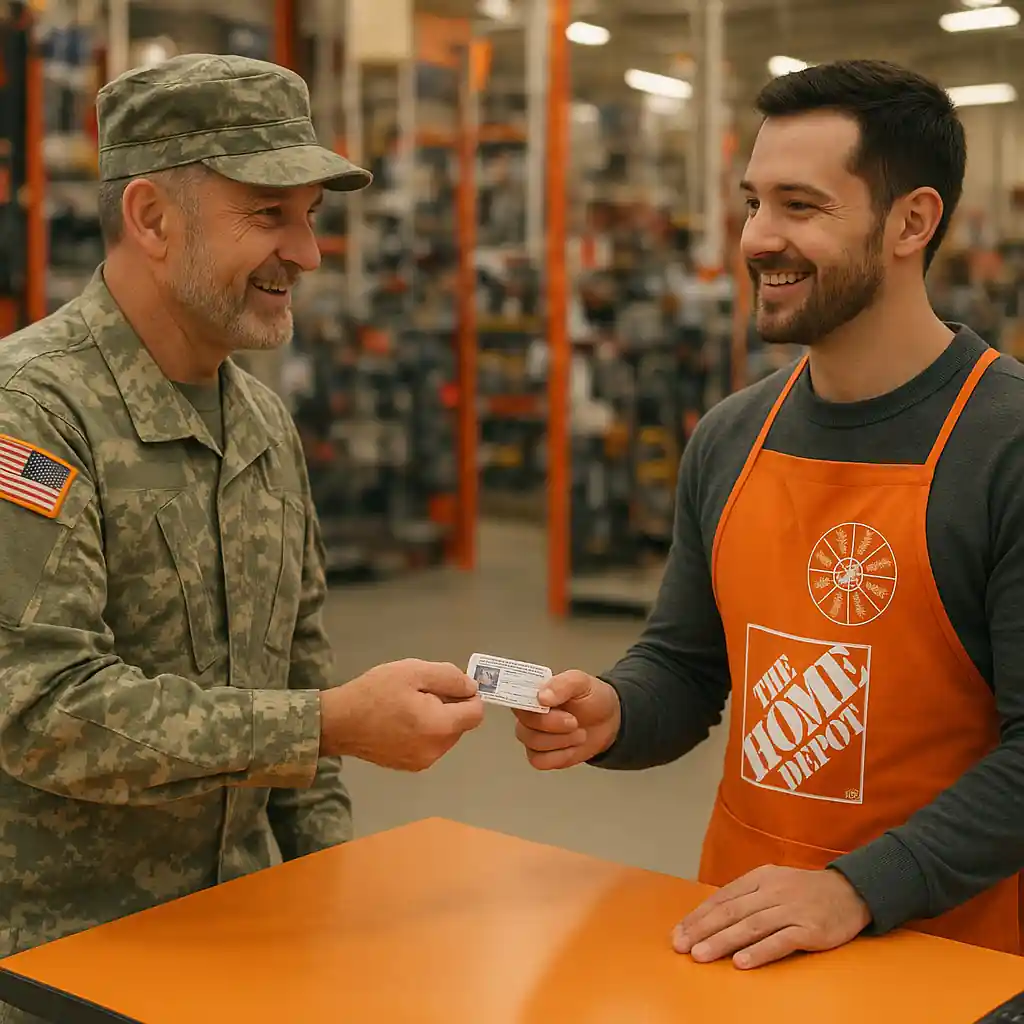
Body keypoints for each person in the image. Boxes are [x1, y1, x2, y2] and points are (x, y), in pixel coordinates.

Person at [0, 51, 483, 1013]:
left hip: (246, 951)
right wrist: (330, 723)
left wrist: (332, 891)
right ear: (151, 219)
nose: (305, 253)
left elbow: (300, 671)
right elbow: (42, 711)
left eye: (309, 217)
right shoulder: (31, 414)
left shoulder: (260, 426)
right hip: (62, 971)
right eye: (269, 216)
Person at [513, 59, 1024, 968]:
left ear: (913, 221)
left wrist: (859, 889)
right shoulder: (730, 437)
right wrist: (614, 712)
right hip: (743, 942)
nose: (756, 238)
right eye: (753, 203)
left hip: (952, 965)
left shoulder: (1006, 446)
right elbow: (684, 665)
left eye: (801, 206)